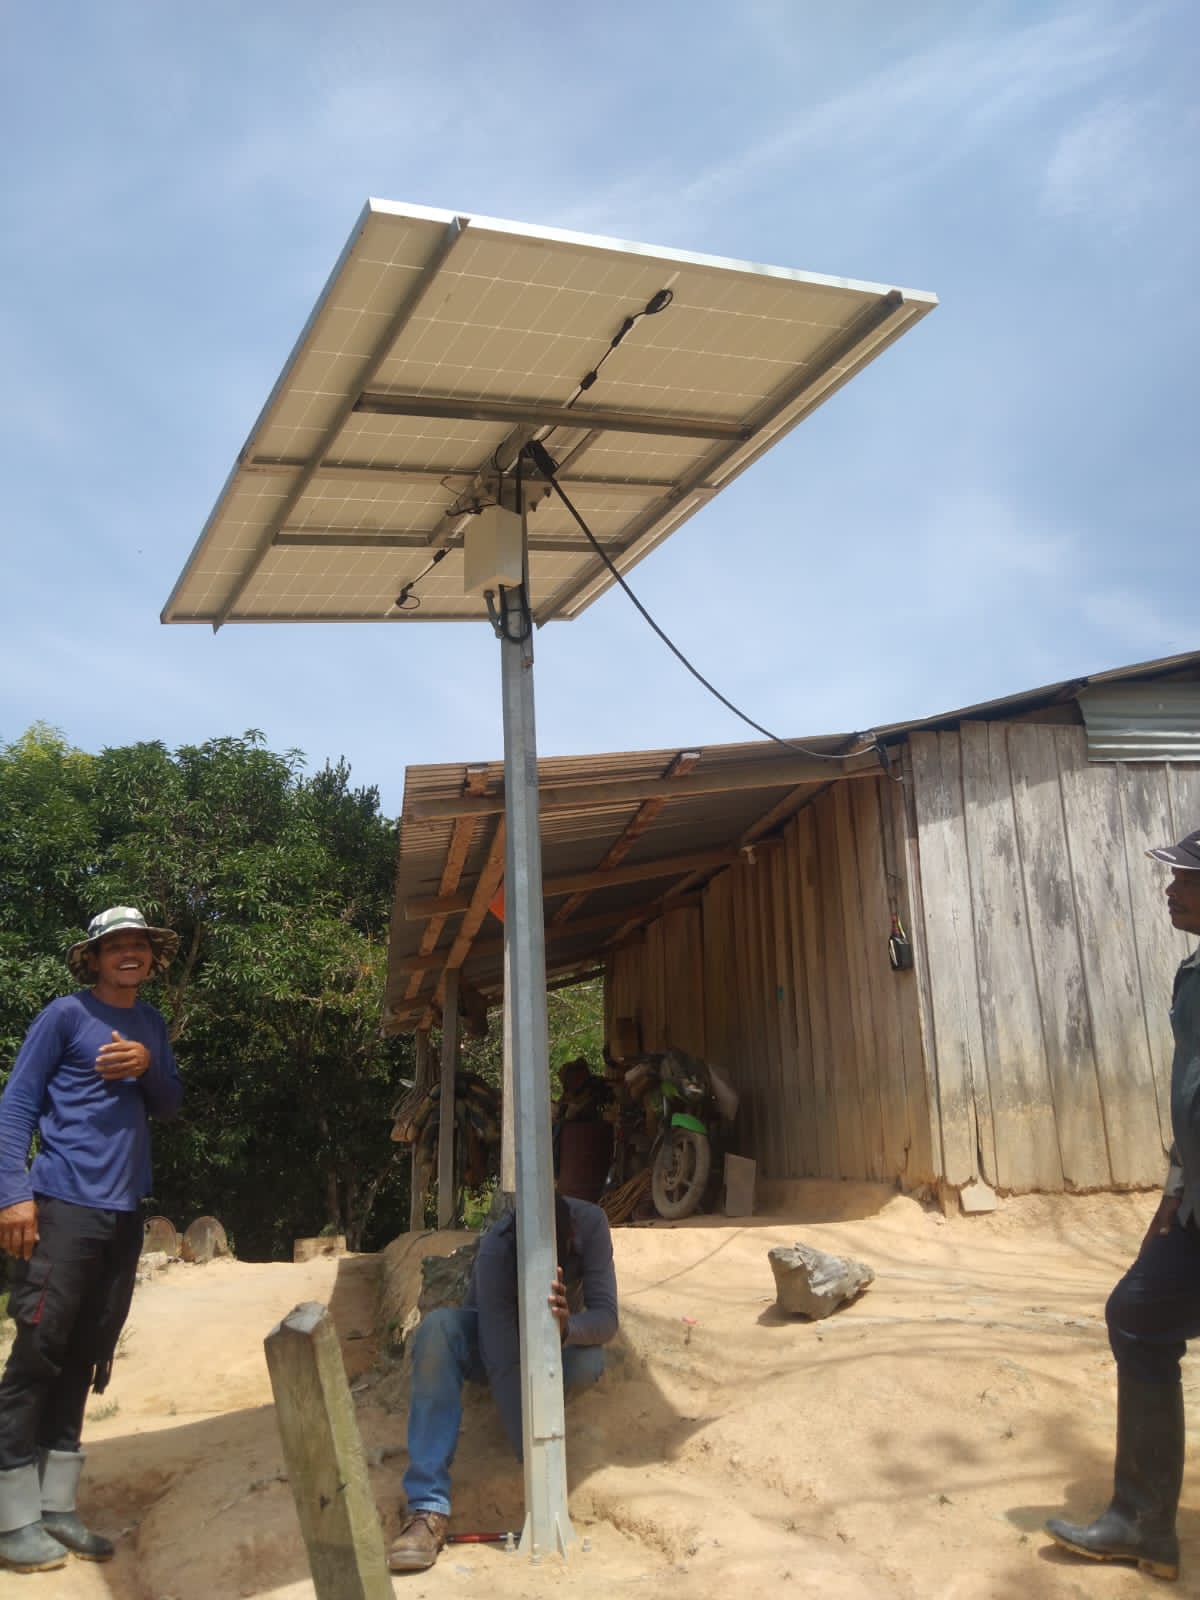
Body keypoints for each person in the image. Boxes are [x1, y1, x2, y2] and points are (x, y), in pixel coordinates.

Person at [0, 907, 182, 1574]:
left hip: (123, 1210)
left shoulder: (151, 1024)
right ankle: (10, 1517)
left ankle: (55, 1507)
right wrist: (12, 1193)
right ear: (95, 959)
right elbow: (16, 1105)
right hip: (62, 1204)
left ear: (151, 958)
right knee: (40, 1349)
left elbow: (169, 1103)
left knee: (87, 1350)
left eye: (139, 945)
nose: (129, 954)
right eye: (116, 946)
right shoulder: (65, 1016)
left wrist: (148, 1066)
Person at [1045, 826, 1200, 1582]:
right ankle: (1142, 1524)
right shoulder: (1193, 973)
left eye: (1187, 878)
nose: (1171, 889)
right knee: (1136, 1314)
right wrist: (1174, 1192)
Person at [389, 1192, 618, 1573]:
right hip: (495, 1340)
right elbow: (503, 1361)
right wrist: (534, 1460)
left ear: (571, 1238)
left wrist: (566, 1329)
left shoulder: (591, 1224)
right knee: (438, 1330)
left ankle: (545, 1402)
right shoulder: (497, 1245)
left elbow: (607, 1318)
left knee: (589, 1360)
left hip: (554, 1344)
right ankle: (427, 1509)